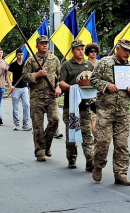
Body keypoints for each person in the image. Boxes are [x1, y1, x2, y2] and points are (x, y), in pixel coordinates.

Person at [89, 38, 130, 186]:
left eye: (129, 51)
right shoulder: (105, 63)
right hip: (105, 110)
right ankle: (98, 166)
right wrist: (106, 85)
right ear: (117, 48)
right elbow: (93, 79)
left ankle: (121, 173)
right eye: (124, 50)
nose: (127, 53)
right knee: (103, 142)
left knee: (122, 144)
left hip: (123, 112)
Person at [21, 34, 62, 162]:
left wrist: (58, 87)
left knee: (54, 120)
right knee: (37, 126)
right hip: (36, 97)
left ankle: (46, 145)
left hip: (51, 96)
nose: (45, 45)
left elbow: (60, 77)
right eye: (42, 43)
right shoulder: (31, 60)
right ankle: (40, 151)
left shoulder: (54, 59)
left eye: (46, 43)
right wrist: (37, 74)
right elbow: (24, 77)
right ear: (37, 45)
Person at [58, 39, 96, 171]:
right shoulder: (67, 65)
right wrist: (72, 88)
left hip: (85, 105)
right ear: (73, 51)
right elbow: (61, 83)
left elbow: (94, 81)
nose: (81, 51)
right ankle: (72, 157)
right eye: (78, 49)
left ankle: (90, 160)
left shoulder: (89, 65)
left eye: (82, 49)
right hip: (71, 105)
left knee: (87, 134)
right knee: (72, 133)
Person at [9, 50, 30, 131]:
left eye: (21, 54)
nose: (20, 56)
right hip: (16, 87)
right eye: (19, 55)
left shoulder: (26, 64)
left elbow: (29, 74)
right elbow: (8, 75)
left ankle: (25, 123)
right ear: (16, 55)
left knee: (26, 105)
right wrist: (10, 85)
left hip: (24, 87)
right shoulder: (13, 65)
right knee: (15, 107)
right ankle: (16, 123)